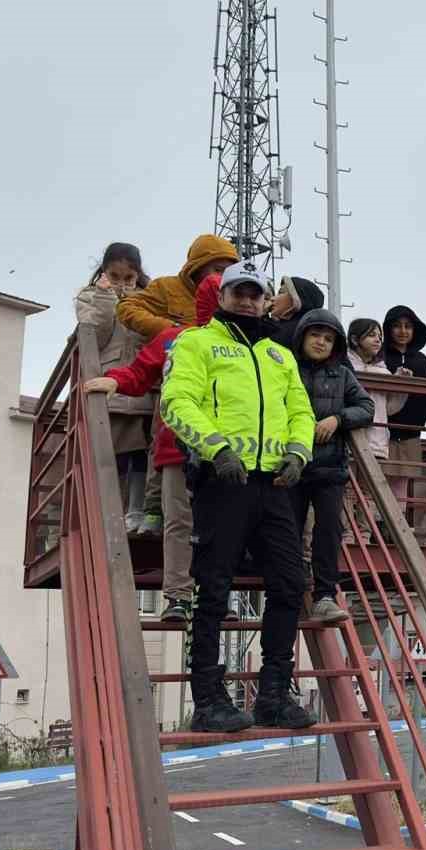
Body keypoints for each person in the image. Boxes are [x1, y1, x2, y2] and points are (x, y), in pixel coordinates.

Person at [161, 261, 346, 733]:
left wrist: (299, 453)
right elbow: (175, 402)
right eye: (238, 292)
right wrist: (215, 447)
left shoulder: (278, 355)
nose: (247, 300)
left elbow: (300, 411)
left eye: (255, 294)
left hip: (276, 487)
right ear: (222, 297)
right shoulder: (196, 342)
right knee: (212, 589)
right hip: (222, 482)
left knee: (288, 584)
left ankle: (273, 693)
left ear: (266, 300)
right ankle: (207, 698)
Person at [84, 273, 226, 621]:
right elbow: (140, 370)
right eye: (227, 294)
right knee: (179, 522)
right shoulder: (175, 338)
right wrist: (115, 380)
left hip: (229, 450)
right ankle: (179, 596)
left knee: (220, 525)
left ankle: (213, 596)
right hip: (178, 446)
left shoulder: (248, 348)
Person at [289, 309, 375, 605]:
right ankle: (291, 579)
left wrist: (338, 419)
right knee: (289, 526)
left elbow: (366, 407)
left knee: (329, 529)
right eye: (315, 335)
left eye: (328, 338)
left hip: (329, 464)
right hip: (291, 463)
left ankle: (325, 593)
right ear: (302, 337)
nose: (321, 342)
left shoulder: (342, 375)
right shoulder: (287, 368)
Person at [74, 242, 155, 533]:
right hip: (112, 385)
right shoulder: (90, 296)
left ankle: (136, 510)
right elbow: (96, 337)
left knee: (142, 453)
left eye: (128, 279)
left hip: (143, 385)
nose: (122, 284)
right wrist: (107, 298)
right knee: (118, 453)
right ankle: (115, 513)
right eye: (115, 276)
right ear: (103, 272)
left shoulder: (150, 300)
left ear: (138, 276)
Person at [346, 317, 407, 544]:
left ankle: (364, 534)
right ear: (354, 339)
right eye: (372, 335)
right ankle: (347, 534)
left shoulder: (384, 371)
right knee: (347, 489)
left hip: (377, 438)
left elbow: (390, 408)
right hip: (351, 436)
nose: (378, 340)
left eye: (379, 336)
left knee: (368, 491)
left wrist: (401, 386)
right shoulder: (345, 366)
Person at [116, 234, 239, 340]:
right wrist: (172, 329)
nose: (223, 276)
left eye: (228, 271)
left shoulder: (236, 298)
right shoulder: (165, 287)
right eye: (218, 270)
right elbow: (126, 307)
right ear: (197, 268)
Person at [381, 306, 426, 535]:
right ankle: (378, 525)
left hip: (411, 431)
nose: (402, 331)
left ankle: (396, 527)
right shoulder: (380, 355)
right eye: (397, 326)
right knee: (377, 480)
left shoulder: (421, 360)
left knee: (402, 480)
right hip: (381, 429)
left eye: (408, 326)